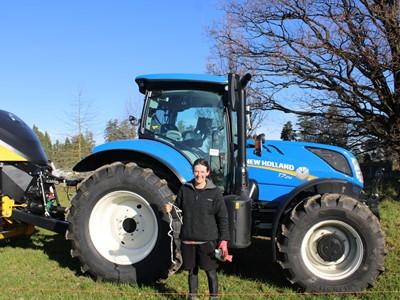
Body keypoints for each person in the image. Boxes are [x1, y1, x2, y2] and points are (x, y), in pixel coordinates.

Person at [164, 158, 230, 300]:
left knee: (210, 271)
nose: (199, 175)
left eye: (202, 172)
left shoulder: (215, 193)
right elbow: (178, 212)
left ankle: (214, 298)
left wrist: (224, 239)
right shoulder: (185, 189)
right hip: (188, 239)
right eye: (196, 171)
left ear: (207, 173)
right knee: (192, 272)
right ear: (193, 172)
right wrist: (171, 210)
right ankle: (192, 297)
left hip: (207, 241)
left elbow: (223, 218)